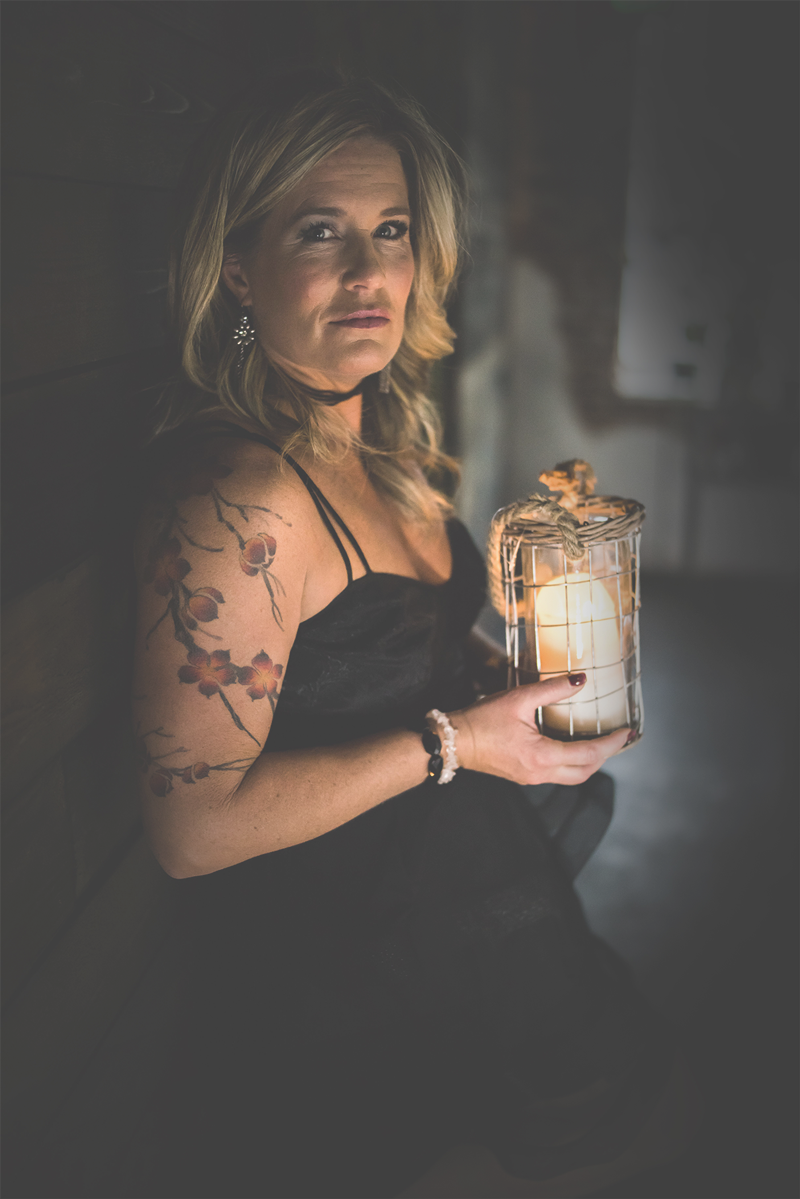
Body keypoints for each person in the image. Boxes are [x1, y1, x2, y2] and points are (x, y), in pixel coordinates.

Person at [133, 72, 695, 1197]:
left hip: (475, 917)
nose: (367, 271)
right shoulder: (243, 498)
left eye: (390, 230)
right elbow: (192, 830)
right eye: (319, 231)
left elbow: (369, 664)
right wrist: (459, 742)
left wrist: (504, 676)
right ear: (236, 268)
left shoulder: (379, 437)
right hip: (351, 974)